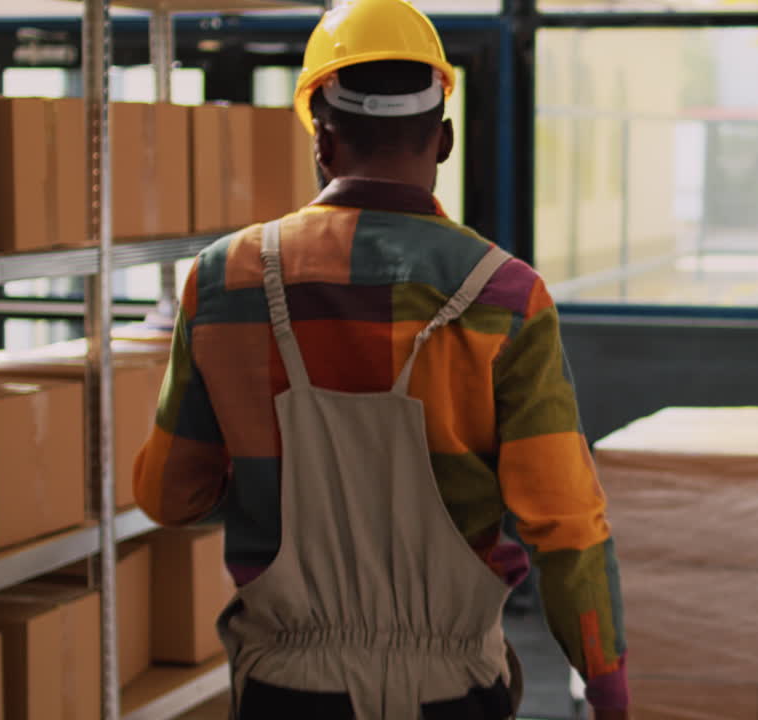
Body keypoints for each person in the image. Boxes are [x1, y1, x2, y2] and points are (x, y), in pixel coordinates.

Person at [132, 1, 629, 718]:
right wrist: (608, 688)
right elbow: (567, 527)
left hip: (286, 692)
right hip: (452, 692)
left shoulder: (222, 281)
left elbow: (169, 496)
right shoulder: (507, 298)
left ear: (322, 143)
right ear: (446, 139)